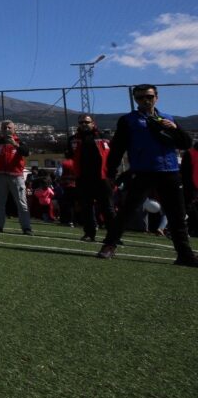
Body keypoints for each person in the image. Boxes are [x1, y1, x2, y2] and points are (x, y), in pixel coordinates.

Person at [97, 85, 198, 266]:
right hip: (143, 171)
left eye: (149, 96)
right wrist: (111, 172)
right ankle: (109, 245)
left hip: (170, 172)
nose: (145, 100)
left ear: (156, 98)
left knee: (177, 215)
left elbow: (186, 143)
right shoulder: (128, 121)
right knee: (127, 211)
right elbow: (118, 147)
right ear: (136, 100)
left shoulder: (168, 118)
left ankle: (185, 254)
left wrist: (175, 128)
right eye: (140, 97)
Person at [70, 115, 114, 243]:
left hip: (102, 177)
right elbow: (70, 155)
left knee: (108, 208)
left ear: (93, 123)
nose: (84, 124)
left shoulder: (104, 137)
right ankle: (89, 233)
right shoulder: (73, 139)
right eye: (81, 122)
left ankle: (113, 234)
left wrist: (112, 174)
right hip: (83, 178)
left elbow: (113, 155)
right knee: (86, 207)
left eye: (86, 122)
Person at [0, 120, 33, 235]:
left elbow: (26, 152)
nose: (7, 130)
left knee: (21, 202)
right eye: (4, 128)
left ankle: (26, 228)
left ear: (14, 129)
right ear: (1, 130)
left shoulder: (19, 141)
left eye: (9, 128)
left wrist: (15, 144)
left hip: (16, 176)